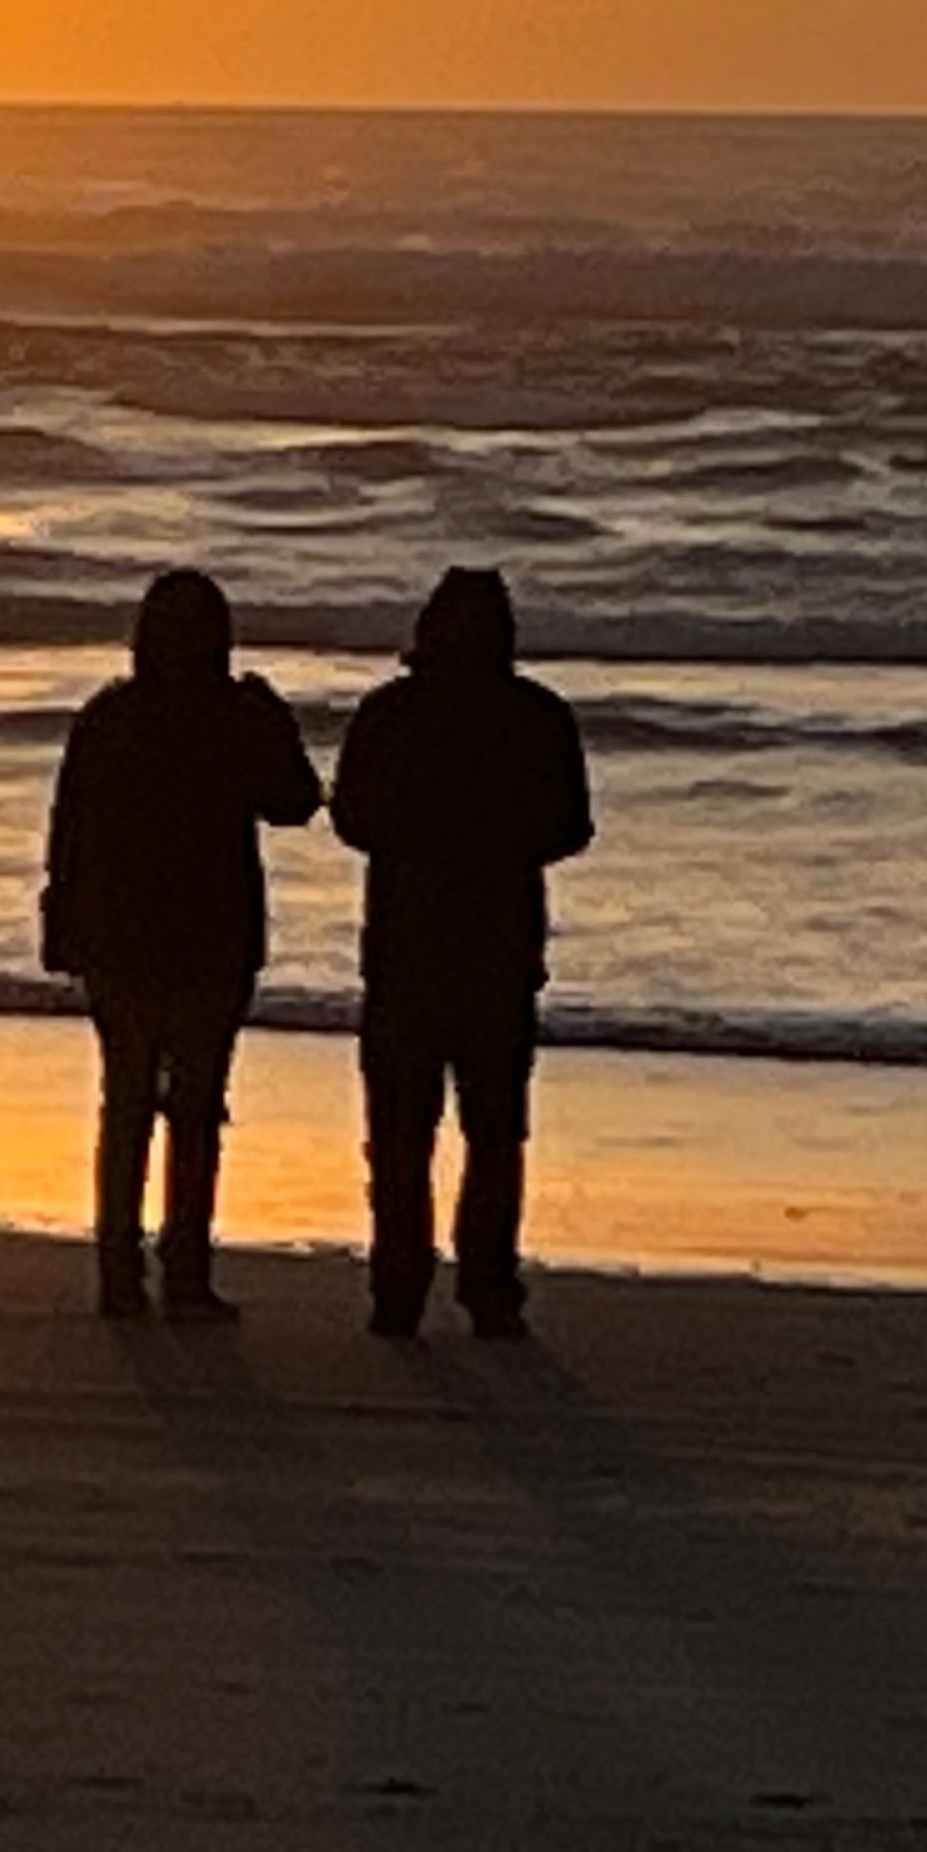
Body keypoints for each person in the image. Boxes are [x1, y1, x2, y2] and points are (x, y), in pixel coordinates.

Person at [41, 569, 322, 1321]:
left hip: (123, 935)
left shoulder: (110, 716)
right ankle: (185, 1273)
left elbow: (68, 835)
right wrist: (273, 718)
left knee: (128, 1101)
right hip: (210, 934)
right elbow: (295, 800)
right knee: (194, 1106)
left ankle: (120, 1272)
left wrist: (63, 928)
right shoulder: (233, 716)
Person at [328, 567, 594, 1340]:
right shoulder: (536, 716)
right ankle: (487, 1286)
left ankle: (398, 1286)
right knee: (495, 1133)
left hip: (405, 944)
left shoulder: (390, 713)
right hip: (498, 947)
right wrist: (499, 844)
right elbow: (570, 827)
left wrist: (416, 840)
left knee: (401, 1134)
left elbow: (350, 817)